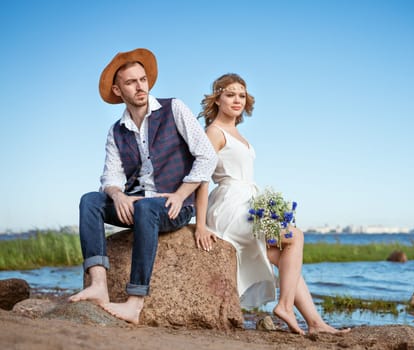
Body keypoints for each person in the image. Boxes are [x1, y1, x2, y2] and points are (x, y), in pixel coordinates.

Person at [68, 48, 217, 324]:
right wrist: (118, 195)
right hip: (137, 201)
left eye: (143, 79)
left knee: (147, 207)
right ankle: (99, 283)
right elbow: (110, 178)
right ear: (117, 90)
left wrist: (182, 193)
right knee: (90, 200)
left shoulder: (174, 108)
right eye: (131, 82)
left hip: (174, 204)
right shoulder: (116, 130)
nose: (140, 86)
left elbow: (207, 156)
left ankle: (134, 302)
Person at [194, 73, 344, 335]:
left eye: (241, 95)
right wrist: (200, 224)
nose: (237, 100)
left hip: (248, 204)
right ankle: (284, 306)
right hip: (229, 205)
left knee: (283, 257)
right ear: (217, 99)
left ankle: (315, 322)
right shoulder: (214, 132)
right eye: (230, 94)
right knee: (294, 237)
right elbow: (201, 179)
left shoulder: (237, 132)